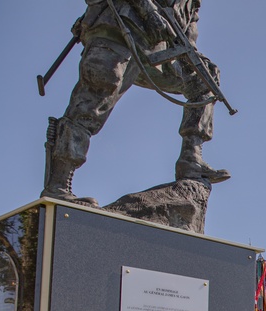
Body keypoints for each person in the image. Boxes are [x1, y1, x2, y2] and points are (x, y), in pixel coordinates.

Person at [43, 0, 229, 204]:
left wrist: (193, 54)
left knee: (204, 79)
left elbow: (188, 30)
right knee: (97, 93)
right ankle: (58, 184)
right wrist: (148, 11)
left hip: (156, 48)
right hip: (119, 24)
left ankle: (191, 158)